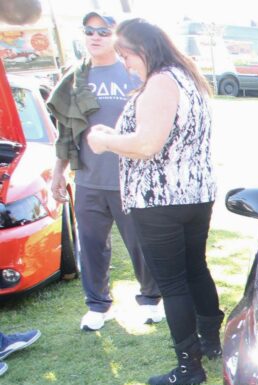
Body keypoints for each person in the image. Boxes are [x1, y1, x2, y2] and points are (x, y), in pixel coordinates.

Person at [87, 18, 222, 385]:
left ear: (141, 50)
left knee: (173, 282)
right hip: (193, 194)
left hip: (161, 200)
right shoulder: (186, 78)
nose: (125, 64)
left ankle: (188, 367)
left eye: (125, 55)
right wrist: (118, 135)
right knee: (195, 268)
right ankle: (211, 343)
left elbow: (148, 145)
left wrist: (106, 141)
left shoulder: (162, 81)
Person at [47, 12, 162, 332]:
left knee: (140, 242)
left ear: (116, 36)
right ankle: (98, 306)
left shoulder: (135, 72)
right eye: (89, 31)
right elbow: (66, 132)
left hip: (131, 177)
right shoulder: (74, 79)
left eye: (103, 31)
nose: (95, 36)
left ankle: (151, 299)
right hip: (88, 180)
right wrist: (59, 171)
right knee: (91, 244)